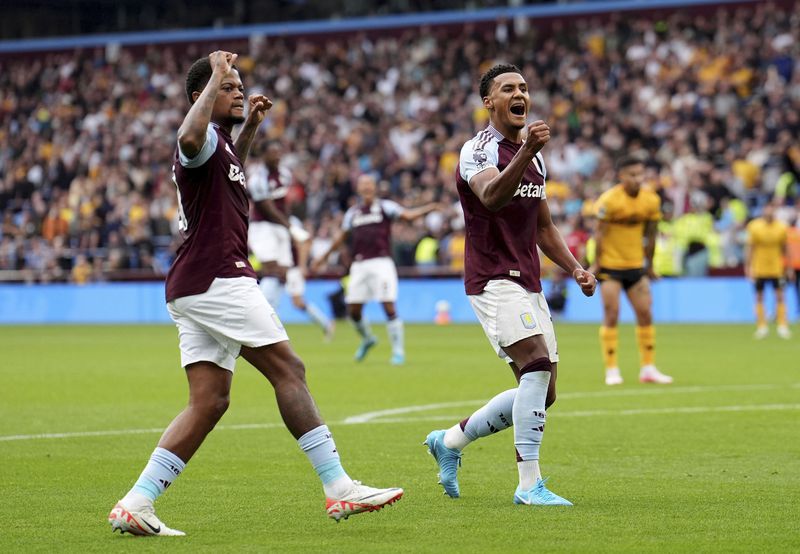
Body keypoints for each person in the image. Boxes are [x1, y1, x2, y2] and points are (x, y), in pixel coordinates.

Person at [107, 52, 402, 537]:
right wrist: (215, 75)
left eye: (239, 84)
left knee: (209, 401)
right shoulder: (196, 140)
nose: (239, 90)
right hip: (219, 277)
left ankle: (137, 502)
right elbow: (186, 138)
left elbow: (228, 173)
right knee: (289, 369)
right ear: (202, 95)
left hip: (193, 284)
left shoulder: (220, 146)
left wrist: (251, 128)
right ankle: (338, 486)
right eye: (229, 86)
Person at [423, 64, 596, 506]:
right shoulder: (476, 150)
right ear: (489, 102)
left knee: (543, 391)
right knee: (536, 364)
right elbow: (492, 197)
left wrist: (575, 267)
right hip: (492, 278)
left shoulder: (534, 156)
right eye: (507, 88)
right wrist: (526, 151)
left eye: (523, 87)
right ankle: (528, 485)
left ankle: (451, 441)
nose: (519, 93)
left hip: (530, 282)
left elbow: (544, 227)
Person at [311, 174, 440, 365]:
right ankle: (368, 338)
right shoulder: (353, 213)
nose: (367, 187)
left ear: (375, 187)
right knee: (354, 311)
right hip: (360, 264)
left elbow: (407, 215)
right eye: (363, 184)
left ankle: (398, 351)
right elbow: (341, 237)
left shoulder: (385, 207)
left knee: (388, 305)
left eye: (369, 184)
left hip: (382, 262)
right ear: (359, 189)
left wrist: (428, 209)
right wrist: (323, 257)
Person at [589, 156, 674, 386]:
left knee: (645, 314)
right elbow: (599, 234)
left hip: (636, 267)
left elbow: (652, 233)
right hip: (610, 267)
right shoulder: (610, 200)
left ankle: (648, 368)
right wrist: (596, 263)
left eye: (641, 173)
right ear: (621, 176)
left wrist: (651, 264)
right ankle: (612, 369)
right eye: (633, 174)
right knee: (612, 314)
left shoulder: (651, 200)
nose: (638, 178)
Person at [247, 143, 335, 340]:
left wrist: (289, 230)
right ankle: (263, 320)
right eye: (272, 154)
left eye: (279, 154)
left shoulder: (285, 175)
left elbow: (283, 204)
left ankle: (266, 322)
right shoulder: (257, 179)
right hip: (263, 227)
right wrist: (290, 227)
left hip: (283, 236)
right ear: (263, 156)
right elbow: (267, 208)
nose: (277, 158)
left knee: (281, 276)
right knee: (272, 269)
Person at [745, 203, 790, 339]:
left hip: (777, 268)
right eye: (767, 209)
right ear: (763, 211)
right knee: (759, 296)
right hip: (760, 268)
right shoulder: (754, 226)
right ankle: (762, 326)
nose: (769, 212)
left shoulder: (781, 227)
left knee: (780, 296)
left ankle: (782, 326)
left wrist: (787, 267)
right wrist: (748, 267)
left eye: (771, 209)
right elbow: (750, 248)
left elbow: (785, 249)